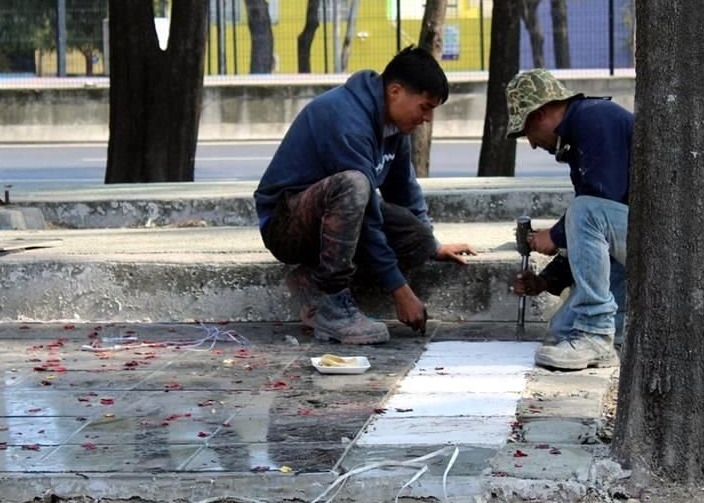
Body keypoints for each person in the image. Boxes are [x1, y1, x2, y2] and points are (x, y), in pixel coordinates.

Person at [254, 46, 474, 345]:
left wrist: (433, 243)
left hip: (339, 217)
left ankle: (310, 277)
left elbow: (404, 192)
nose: (428, 118)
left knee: (417, 240)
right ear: (395, 91)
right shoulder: (346, 120)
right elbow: (367, 213)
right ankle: (333, 304)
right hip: (287, 225)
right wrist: (400, 290)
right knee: (355, 185)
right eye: (425, 107)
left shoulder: (395, 128)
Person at [505, 68, 633, 371]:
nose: (533, 144)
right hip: (635, 242)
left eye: (527, 134)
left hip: (663, 241)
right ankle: (618, 327)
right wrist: (548, 279)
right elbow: (595, 232)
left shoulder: (595, 119)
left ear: (538, 114)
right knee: (562, 331)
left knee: (584, 210)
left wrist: (554, 236)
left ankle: (596, 335)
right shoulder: (583, 130)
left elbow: (598, 206)